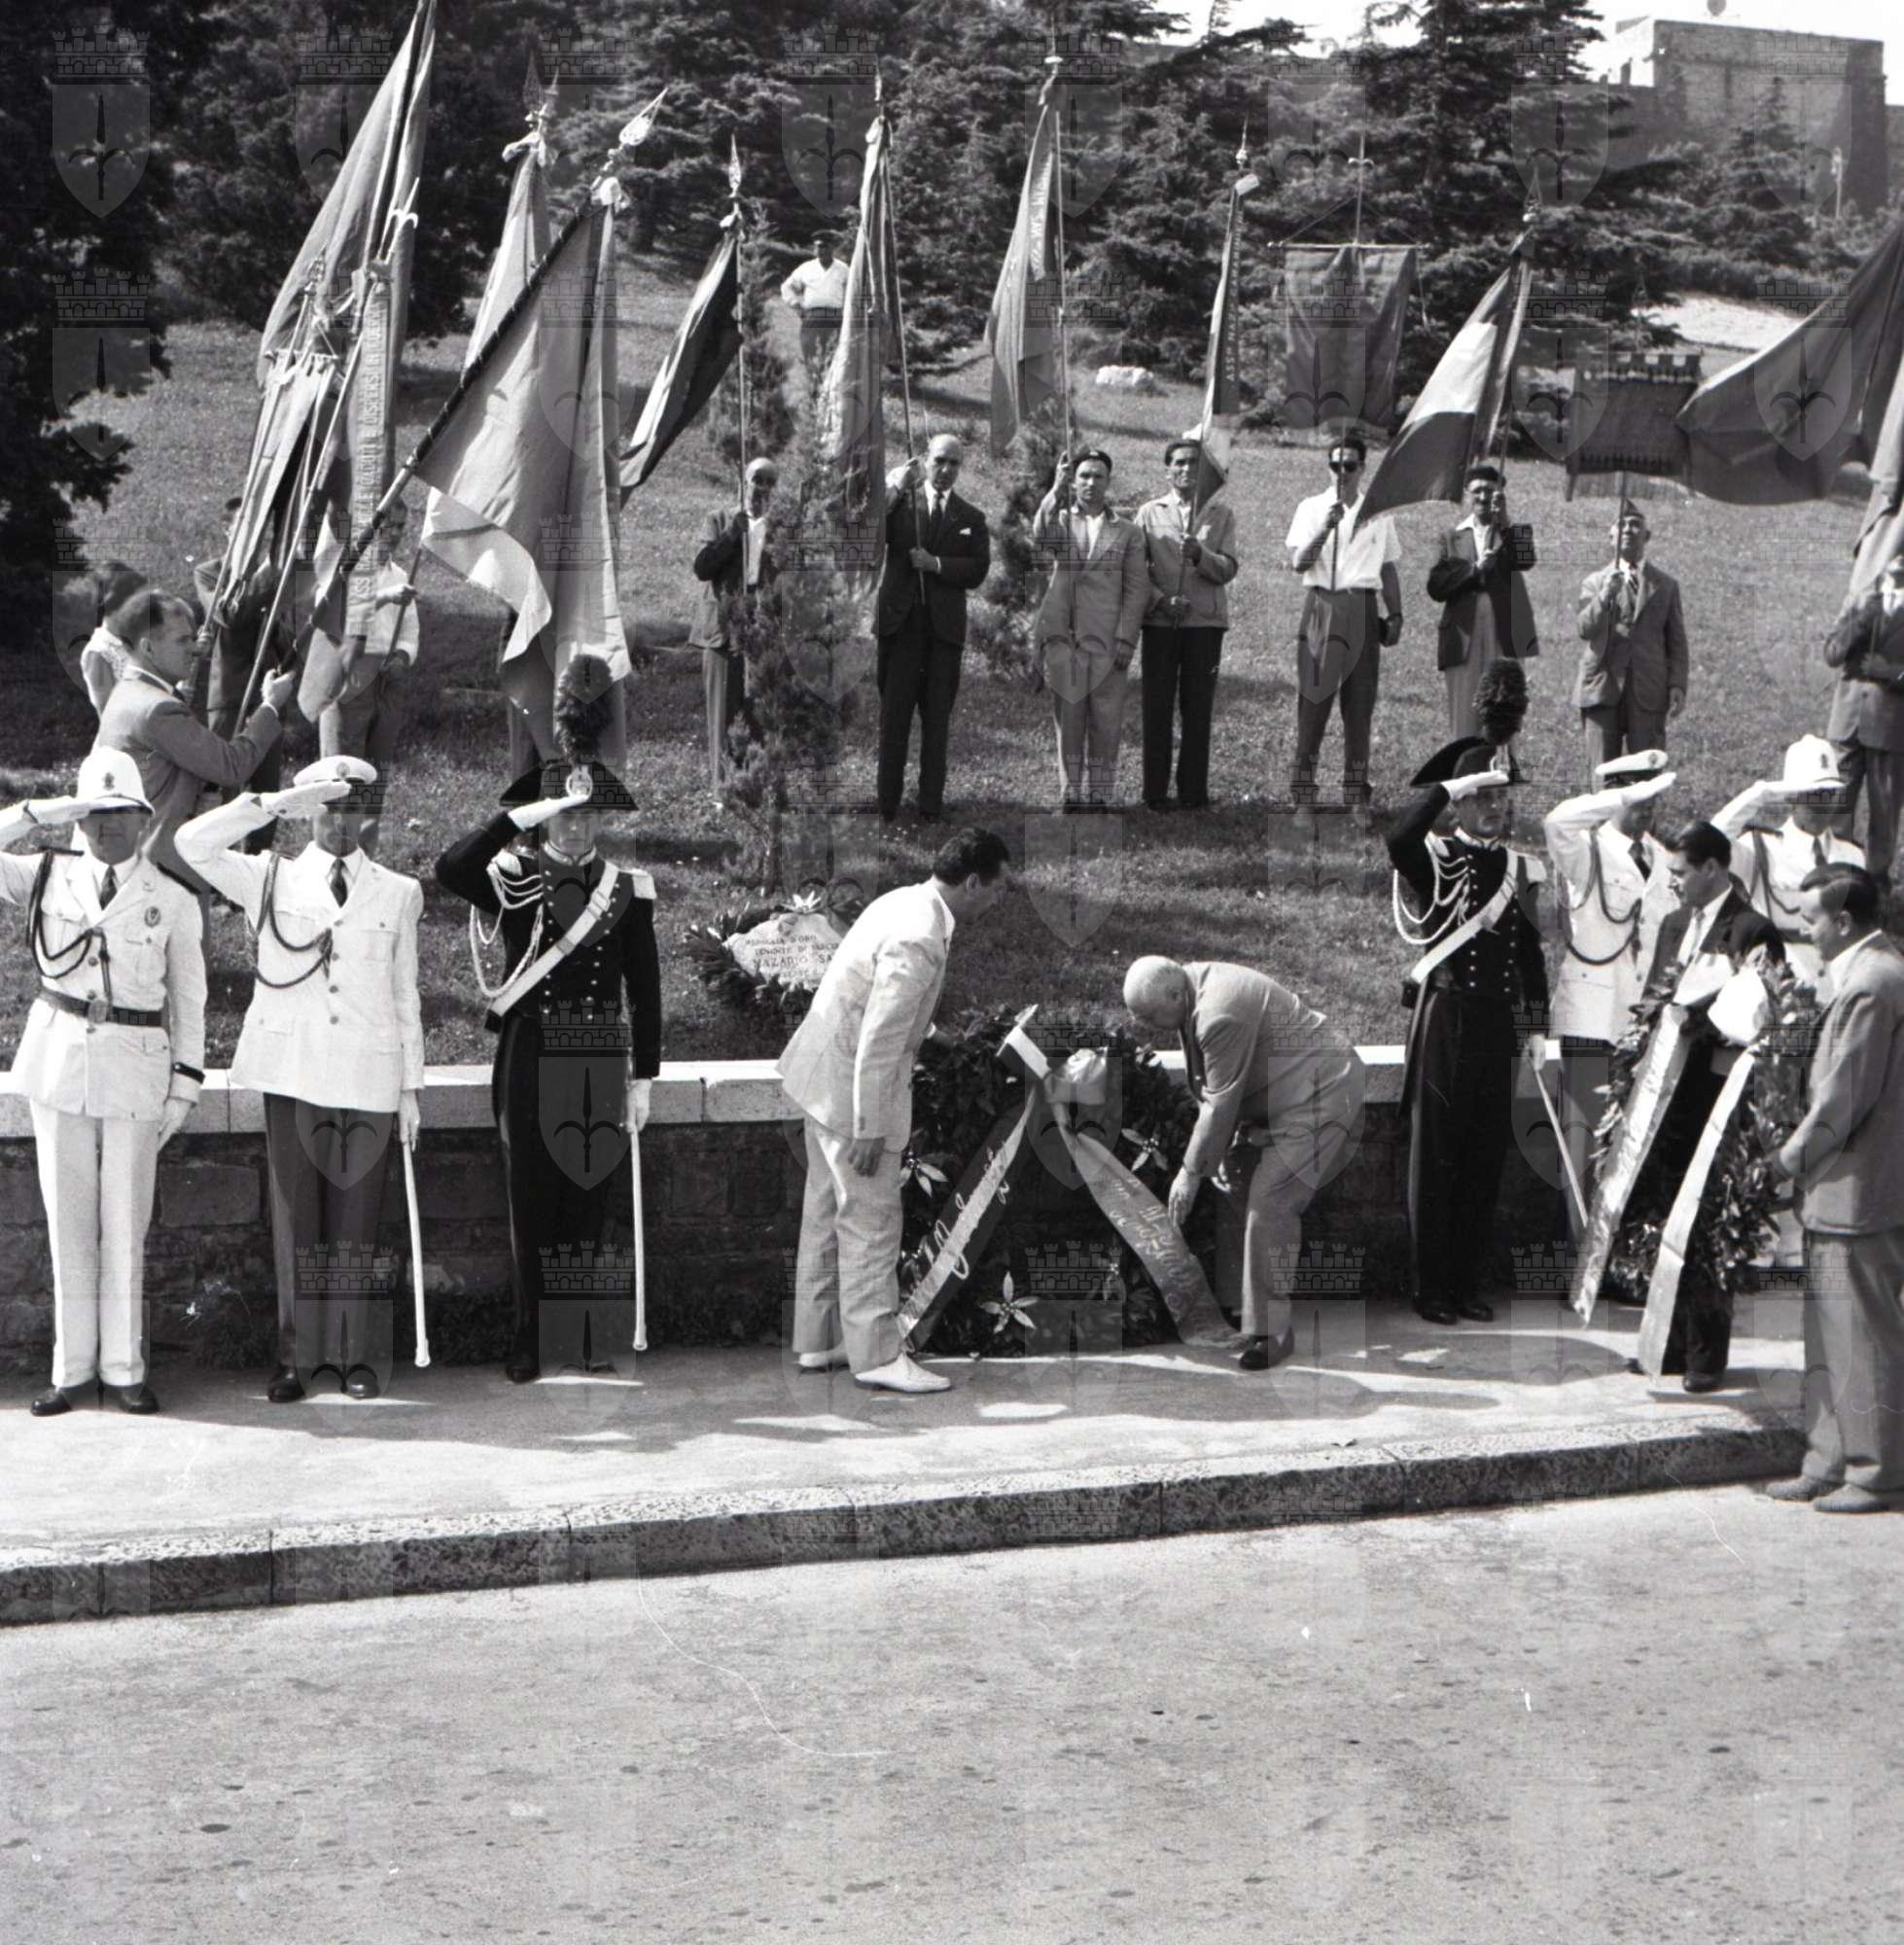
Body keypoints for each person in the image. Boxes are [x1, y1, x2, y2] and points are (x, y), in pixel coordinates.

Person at [435, 657, 660, 1385]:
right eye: (565, 812)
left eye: (589, 812)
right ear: (545, 817)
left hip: (597, 1053)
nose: (579, 823)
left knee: (588, 1200)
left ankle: (582, 1333)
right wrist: (515, 820)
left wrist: (645, 1076)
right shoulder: (514, 877)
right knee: (531, 1198)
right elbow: (450, 870)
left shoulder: (627, 891)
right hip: (532, 1051)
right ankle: (530, 1337)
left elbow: (645, 988)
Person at [177, 759, 424, 1402]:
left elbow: (405, 995)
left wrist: (410, 1089)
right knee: (297, 1222)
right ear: (309, 810)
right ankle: (298, 1359)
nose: (340, 821)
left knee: (357, 1223)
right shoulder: (269, 877)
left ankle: (353, 1357)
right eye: (328, 807)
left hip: (369, 1071)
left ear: (370, 814)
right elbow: (190, 843)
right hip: (294, 1070)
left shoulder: (399, 892)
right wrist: (270, 803)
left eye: (352, 807)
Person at [1, 751, 205, 1416]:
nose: (105, 826)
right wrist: (37, 812)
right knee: (68, 1221)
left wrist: (184, 1085)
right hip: (59, 1061)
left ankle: (123, 1369)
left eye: (120, 813)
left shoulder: (171, 898)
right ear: (77, 818)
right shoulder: (47, 873)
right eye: (93, 813)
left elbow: (190, 1001)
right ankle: (72, 1371)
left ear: (144, 819)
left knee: (124, 1222)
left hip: (137, 1066)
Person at [777, 828, 1013, 1394]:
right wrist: (870, 1127)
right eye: (999, 887)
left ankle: (820, 1339)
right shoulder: (921, 936)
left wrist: (933, 1037)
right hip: (852, 1094)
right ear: (972, 882)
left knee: (825, 1212)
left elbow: (876, 1001)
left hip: (820, 1079)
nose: (1000, 899)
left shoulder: (903, 901)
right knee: (872, 1222)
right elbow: (880, 1040)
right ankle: (878, 1356)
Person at [1122, 955, 1364, 1371]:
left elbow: (1219, 1103)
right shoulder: (1191, 988)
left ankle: (1273, 1332)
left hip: (1320, 1096)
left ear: (1175, 995)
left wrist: (1190, 1172)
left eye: (1147, 1016)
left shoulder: (1219, 1013)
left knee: (1271, 1200)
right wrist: (1216, 1153)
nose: (1143, 1026)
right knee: (1234, 1179)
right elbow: (1220, 1086)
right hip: (1283, 1095)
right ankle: (1242, 1310)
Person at [1617, 821, 1784, 1391]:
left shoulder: (1753, 930)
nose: (1673, 883)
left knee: (1710, 1219)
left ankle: (1705, 1357)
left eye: (1680, 872)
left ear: (1713, 868)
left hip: (1715, 1095)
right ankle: (1666, 1345)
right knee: (1665, 1214)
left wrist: (1696, 1023)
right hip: (1665, 1096)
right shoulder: (1673, 923)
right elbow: (1653, 998)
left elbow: (1759, 1017)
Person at [1388, 738, 1547, 1327]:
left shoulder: (1519, 868)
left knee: (1484, 1155)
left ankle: (1466, 1282)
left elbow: (1529, 956)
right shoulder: (1435, 855)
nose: (1494, 807)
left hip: (1499, 1024)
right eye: (1481, 797)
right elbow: (1398, 838)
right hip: (1447, 1018)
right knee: (1437, 1156)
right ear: (1459, 804)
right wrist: (1445, 789)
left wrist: (1536, 1026)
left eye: (1500, 797)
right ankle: (1430, 1288)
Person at [1767, 866, 1904, 1511]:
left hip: (1859, 1188)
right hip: (1844, 1189)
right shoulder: (1872, 972)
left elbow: (1844, 1099)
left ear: (1843, 922)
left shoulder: (1873, 982)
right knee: (1830, 1333)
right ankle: (1826, 1461)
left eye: (1810, 919)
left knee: (1861, 1336)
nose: (1804, 930)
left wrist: (1785, 1161)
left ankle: (1875, 1473)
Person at [1541, 751, 1679, 1236]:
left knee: (1630, 1142)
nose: (1647, 810)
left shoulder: (1665, 860)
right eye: (1638, 799)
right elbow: (1555, 822)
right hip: (1592, 1016)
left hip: (1639, 1021)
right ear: (1614, 796)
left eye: (1653, 800)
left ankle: (1618, 1255)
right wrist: (1616, 800)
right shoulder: (1587, 849)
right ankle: (1580, 1255)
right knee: (1583, 1143)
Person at [92, 589, 293, 895]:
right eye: (182, 641)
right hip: (167, 877)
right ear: (148, 648)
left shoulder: (128, 694)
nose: (195, 649)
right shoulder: (157, 709)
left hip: (140, 866)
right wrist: (271, 705)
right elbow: (232, 766)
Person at [1283, 431, 1402, 832]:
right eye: (1335, 464)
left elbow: (1388, 566)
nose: (1342, 472)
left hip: (1363, 608)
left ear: (1362, 468)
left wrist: (1396, 613)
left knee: (1359, 707)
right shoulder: (1311, 507)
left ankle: (1356, 795)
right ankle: (1304, 796)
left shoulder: (1378, 511)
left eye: (1349, 465)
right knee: (1313, 704)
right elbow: (1299, 563)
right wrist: (1325, 528)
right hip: (1323, 605)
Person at [875, 433, 991, 824]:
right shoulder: (901, 505)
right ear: (925, 460)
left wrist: (937, 564)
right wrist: (895, 487)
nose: (945, 470)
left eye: (953, 463)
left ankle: (930, 806)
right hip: (901, 628)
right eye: (939, 460)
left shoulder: (971, 517)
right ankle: (887, 804)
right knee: (894, 719)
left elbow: (978, 569)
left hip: (944, 635)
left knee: (936, 721)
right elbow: (869, 532)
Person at [1033, 448, 1148, 809]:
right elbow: (1041, 537)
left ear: (1108, 481)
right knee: (1068, 719)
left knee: (1106, 720)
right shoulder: (1061, 520)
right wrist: (1056, 488)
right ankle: (1070, 792)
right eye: (1084, 475)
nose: (1090, 482)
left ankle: (1099, 793)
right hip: (1065, 637)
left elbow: (1137, 589)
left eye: (1098, 476)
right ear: (1074, 479)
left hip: (1107, 639)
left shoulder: (1128, 532)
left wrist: (1127, 638)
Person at [1135, 439, 1239, 815]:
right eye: (1178, 463)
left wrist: (1200, 554)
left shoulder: (1220, 514)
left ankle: (1193, 792)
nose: (1186, 470)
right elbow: (1135, 571)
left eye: (1193, 463)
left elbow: (1228, 568)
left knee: (1197, 708)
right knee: (1157, 707)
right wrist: (1161, 601)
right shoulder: (1149, 513)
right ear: (1167, 470)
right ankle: (1155, 793)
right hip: (1160, 624)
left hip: (1204, 625)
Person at [1715, 734, 1866, 988]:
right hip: (1778, 984)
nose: (1822, 805)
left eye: (1830, 794)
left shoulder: (1852, 856)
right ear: (1790, 796)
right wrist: (1761, 793)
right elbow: (1709, 842)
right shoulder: (1761, 847)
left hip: (1837, 988)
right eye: (1812, 795)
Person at [1572, 502, 1688, 780]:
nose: (1627, 529)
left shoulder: (1665, 585)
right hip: (1601, 687)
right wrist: (1605, 596)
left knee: (1647, 775)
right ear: (1610, 536)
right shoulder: (1594, 582)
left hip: (1648, 690)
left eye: (1635, 525)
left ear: (1647, 536)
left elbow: (1677, 641)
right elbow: (1584, 628)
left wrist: (1677, 684)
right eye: (1621, 524)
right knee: (1603, 775)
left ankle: (1644, 811)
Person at [308, 499, 419, 785]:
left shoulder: (399, 575)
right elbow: (331, 614)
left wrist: (402, 656)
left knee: (375, 775)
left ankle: (368, 815)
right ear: (370, 527)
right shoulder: (343, 570)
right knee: (342, 773)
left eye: (400, 527)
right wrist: (385, 597)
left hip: (386, 681)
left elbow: (409, 633)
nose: (394, 534)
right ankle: (338, 815)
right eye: (387, 526)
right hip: (349, 678)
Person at [1426, 464, 1538, 742]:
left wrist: (1505, 521)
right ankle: (1464, 764)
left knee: (1503, 706)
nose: (1483, 497)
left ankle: (1502, 766)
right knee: (1465, 710)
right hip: (1464, 633)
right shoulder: (1452, 537)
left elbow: (1526, 560)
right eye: (1477, 491)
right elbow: (1436, 586)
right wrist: (1474, 570)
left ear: (1501, 494)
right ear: (1467, 494)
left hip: (1504, 630)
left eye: (1490, 490)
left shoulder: (1514, 532)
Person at [689, 458, 777, 788]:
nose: (762, 488)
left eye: (769, 482)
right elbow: (702, 568)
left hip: (760, 630)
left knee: (757, 714)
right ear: (743, 483)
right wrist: (730, 535)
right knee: (723, 713)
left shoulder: (779, 529)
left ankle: (751, 784)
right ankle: (722, 789)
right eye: (757, 479)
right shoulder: (719, 520)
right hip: (723, 630)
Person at [1821, 550, 1904, 897]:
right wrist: (1859, 618)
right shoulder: (1860, 601)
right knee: (1837, 800)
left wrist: (1892, 673)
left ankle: (1875, 881)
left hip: (1891, 727)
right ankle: (1837, 871)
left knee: (1885, 807)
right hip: (1848, 722)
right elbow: (1832, 654)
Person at [779, 231, 848, 376]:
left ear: (832, 248)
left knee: (835, 361)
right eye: (818, 247)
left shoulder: (843, 269)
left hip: (835, 319)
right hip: (812, 318)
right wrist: (796, 306)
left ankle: (832, 390)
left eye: (825, 246)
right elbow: (786, 287)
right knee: (811, 360)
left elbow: (853, 293)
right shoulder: (806, 268)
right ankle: (814, 388)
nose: (821, 251)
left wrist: (847, 313)